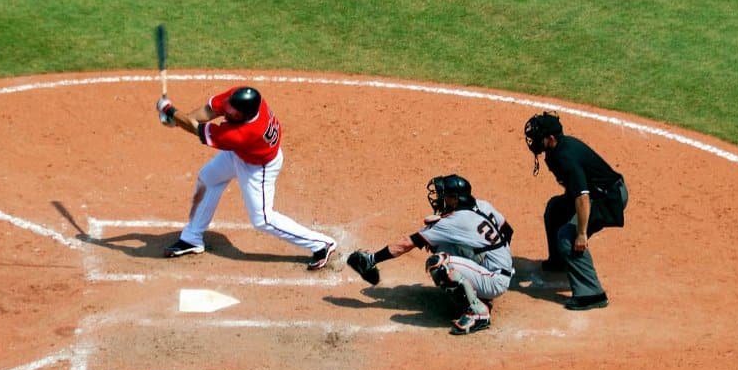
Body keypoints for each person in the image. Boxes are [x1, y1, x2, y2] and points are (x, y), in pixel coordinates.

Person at [155, 86, 336, 269]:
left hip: (258, 167)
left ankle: (321, 244)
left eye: (234, 113)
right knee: (209, 178)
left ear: (247, 115)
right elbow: (209, 111)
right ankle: (192, 238)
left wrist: (170, 111)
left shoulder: (245, 133)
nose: (229, 112)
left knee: (262, 220)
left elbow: (197, 129)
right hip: (239, 154)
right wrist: (178, 120)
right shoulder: (240, 98)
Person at [346, 175, 514, 335]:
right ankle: (481, 287)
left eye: (445, 195)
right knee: (438, 244)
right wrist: (498, 257)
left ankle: (478, 313)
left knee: (439, 264)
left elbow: (407, 243)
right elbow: (508, 231)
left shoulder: (455, 221)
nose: (440, 198)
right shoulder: (482, 205)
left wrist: (373, 259)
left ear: (455, 198)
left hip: (494, 280)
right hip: (497, 269)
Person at [523, 111, 628, 310]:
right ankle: (559, 262)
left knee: (568, 237)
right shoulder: (555, 151)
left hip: (608, 197)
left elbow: (582, 197)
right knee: (555, 209)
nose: (534, 140)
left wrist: (581, 233)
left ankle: (592, 294)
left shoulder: (565, 156)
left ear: (551, 139)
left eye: (539, 136)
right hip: (594, 194)